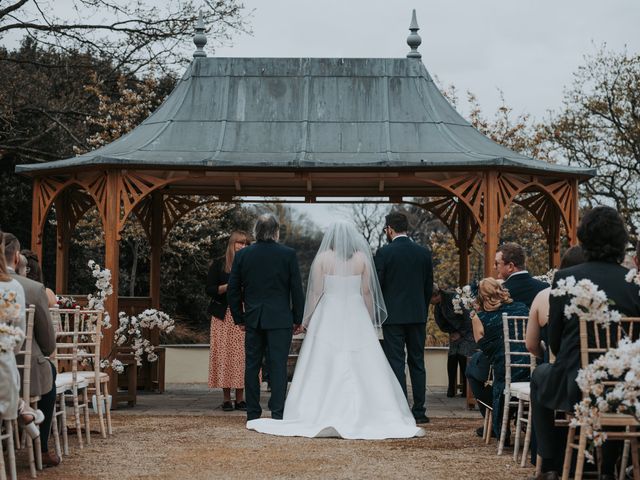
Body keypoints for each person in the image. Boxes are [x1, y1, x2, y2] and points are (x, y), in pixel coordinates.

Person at [247, 220, 424, 439]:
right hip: (355, 312)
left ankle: (316, 409)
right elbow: (367, 292)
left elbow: (315, 293)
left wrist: (307, 319)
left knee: (323, 360)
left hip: (328, 313)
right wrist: (368, 319)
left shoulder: (322, 259)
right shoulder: (361, 259)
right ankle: (372, 410)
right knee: (363, 362)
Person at [529, 207, 640, 480]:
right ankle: (608, 469)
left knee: (540, 374)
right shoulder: (633, 284)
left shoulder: (565, 279)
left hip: (573, 385)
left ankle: (551, 465)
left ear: (583, 238)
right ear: (620, 241)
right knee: (609, 388)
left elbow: (553, 342)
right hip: (623, 388)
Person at [227, 214, 305, 422]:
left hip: (253, 319)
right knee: (278, 365)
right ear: (276, 232)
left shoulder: (244, 255)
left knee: (252, 366)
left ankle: (253, 414)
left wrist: (239, 317)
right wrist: (298, 318)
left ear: (256, 232)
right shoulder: (288, 254)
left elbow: (233, 289)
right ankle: (278, 413)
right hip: (280, 319)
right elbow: (296, 289)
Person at [466, 242, 547, 437]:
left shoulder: (498, 292)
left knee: (473, 368)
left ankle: (497, 416)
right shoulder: (544, 288)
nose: (495, 268)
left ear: (510, 266)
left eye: (497, 264)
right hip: (539, 357)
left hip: (503, 359)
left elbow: (484, 335)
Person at [3, 233, 59, 467]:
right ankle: (42, 450)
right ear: (17, 257)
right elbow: (48, 344)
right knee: (50, 371)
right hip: (19, 372)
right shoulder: (32, 288)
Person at [374, 211, 433, 424]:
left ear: (389, 229)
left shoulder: (384, 253)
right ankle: (419, 410)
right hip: (417, 316)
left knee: (396, 362)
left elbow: (377, 287)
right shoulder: (423, 253)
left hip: (393, 317)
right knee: (417, 362)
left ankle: (400, 409)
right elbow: (428, 288)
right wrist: (422, 311)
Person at [470, 278, 529, 439]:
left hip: (504, 370)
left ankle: (493, 416)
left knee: (473, 368)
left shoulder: (479, 318)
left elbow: (484, 348)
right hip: (530, 367)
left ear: (480, 297)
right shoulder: (522, 308)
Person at [206, 230, 250, 412]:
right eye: (239, 243)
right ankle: (226, 399)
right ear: (232, 244)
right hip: (223, 316)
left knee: (242, 356)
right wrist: (229, 286)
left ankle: (240, 399)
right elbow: (209, 289)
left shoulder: (250, 263)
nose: (242, 246)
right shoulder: (219, 264)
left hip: (243, 314)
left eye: (246, 243)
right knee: (224, 355)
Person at [526, 246, 585, 360]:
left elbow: (531, 345)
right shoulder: (594, 296)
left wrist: (545, 356)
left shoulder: (543, 295)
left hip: (557, 366)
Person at [431, 284, 475, 397]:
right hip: (455, 332)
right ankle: (451, 386)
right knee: (452, 356)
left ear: (436, 296)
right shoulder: (438, 306)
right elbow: (441, 322)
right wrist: (452, 332)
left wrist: (460, 333)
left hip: (467, 331)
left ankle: (467, 388)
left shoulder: (454, 298)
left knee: (463, 355)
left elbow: (467, 316)